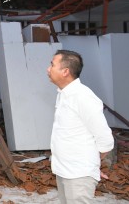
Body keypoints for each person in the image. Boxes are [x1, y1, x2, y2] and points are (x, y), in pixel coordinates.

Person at [47, 49, 114, 204]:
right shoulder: (63, 94)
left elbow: (105, 140)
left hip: (78, 174)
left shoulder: (83, 97)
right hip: (64, 171)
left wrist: (90, 164)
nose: (48, 69)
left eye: (52, 65)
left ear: (65, 72)